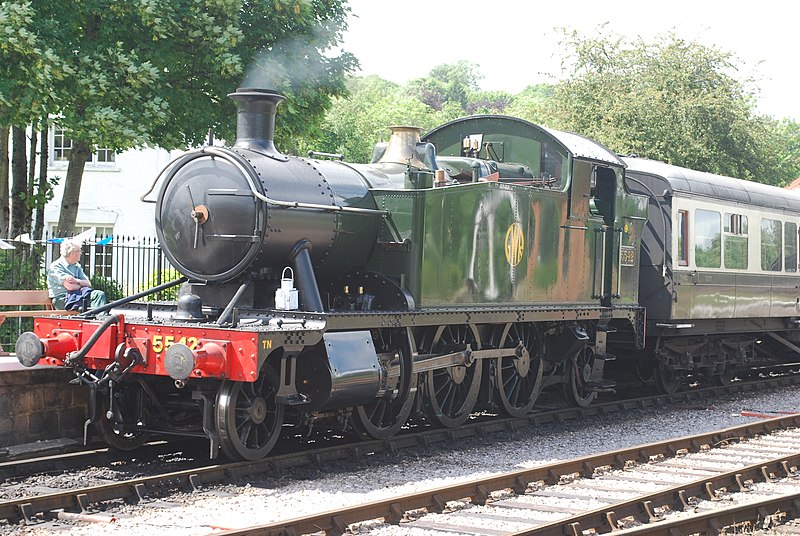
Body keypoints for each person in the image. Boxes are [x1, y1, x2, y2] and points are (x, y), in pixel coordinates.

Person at [47, 240, 107, 311]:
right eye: (79, 251)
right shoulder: (56, 266)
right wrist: (82, 285)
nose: (81, 253)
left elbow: (88, 283)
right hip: (63, 298)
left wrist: (76, 281)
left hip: (79, 295)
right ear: (72, 253)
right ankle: (95, 319)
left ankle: (100, 320)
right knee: (89, 304)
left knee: (99, 295)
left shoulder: (76, 265)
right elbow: (70, 287)